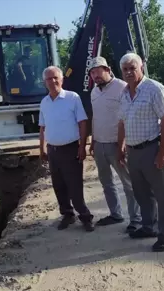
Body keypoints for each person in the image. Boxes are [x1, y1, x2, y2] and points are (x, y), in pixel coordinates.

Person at [117, 53, 164, 252]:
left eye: (132, 68)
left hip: (152, 149)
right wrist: (121, 147)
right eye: (125, 69)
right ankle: (148, 226)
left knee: (162, 194)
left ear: (141, 66)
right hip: (134, 153)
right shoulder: (124, 94)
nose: (128, 72)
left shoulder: (154, 89)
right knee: (142, 194)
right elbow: (123, 122)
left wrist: (163, 152)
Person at [87, 57, 142, 233]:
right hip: (100, 144)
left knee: (129, 183)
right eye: (92, 72)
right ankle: (115, 214)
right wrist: (93, 140)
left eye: (98, 71)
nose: (95, 75)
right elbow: (96, 117)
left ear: (108, 69)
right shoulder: (94, 92)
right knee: (106, 182)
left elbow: (126, 117)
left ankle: (137, 219)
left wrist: (122, 144)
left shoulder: (121, 87)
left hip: (117, 145)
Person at [38, 66, 94, 232]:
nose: (53, 81)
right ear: (45, 82)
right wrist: (41, 149)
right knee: (59, 186)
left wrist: (82, 146)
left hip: (70, 149)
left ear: (62, 79)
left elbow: (82, 123)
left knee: (74, 186)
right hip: (53, 151)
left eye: (56, 78)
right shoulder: (44, 102)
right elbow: (42, 128)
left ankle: (85, 216)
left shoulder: (72, 98)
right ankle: (67, 214)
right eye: (49, 79)